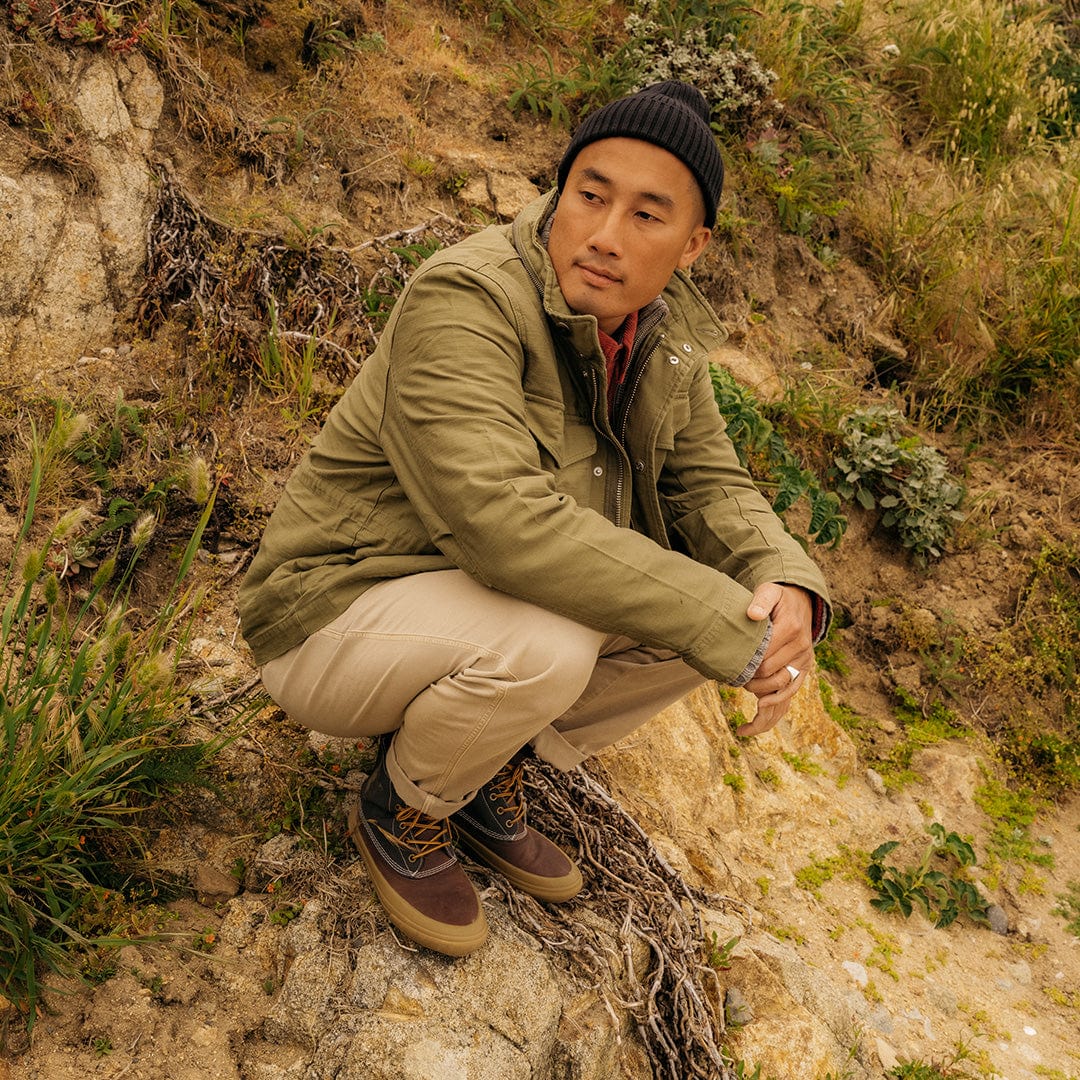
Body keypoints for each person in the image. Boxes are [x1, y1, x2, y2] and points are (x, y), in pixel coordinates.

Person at [238, 80, 831, 957]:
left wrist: (788, 588)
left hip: (468, 610)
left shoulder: (662, 344)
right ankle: (403, 809)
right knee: (574, 639)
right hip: (333, 614)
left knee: (734, 609)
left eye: (646, 215)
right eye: (590, 195)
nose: (603, 234)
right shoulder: (468, 298)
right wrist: (722, 626)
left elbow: (714, 490)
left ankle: (482, 767)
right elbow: (501, 526)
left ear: (693, 243)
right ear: (559, 191)